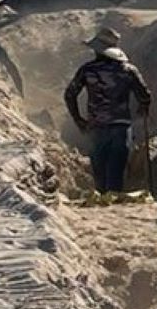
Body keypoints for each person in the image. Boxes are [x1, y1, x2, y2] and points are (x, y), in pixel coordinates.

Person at [63, 26, 151, 196]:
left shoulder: (87, 70)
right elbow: (145, 95)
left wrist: (79, 120)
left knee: (100, 168)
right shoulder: (128, 70)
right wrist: (143, 108)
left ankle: (102, 198)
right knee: (116, 166)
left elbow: (69, 95)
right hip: (122, 125)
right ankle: (114, 199)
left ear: (97, 51)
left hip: (96, 126)